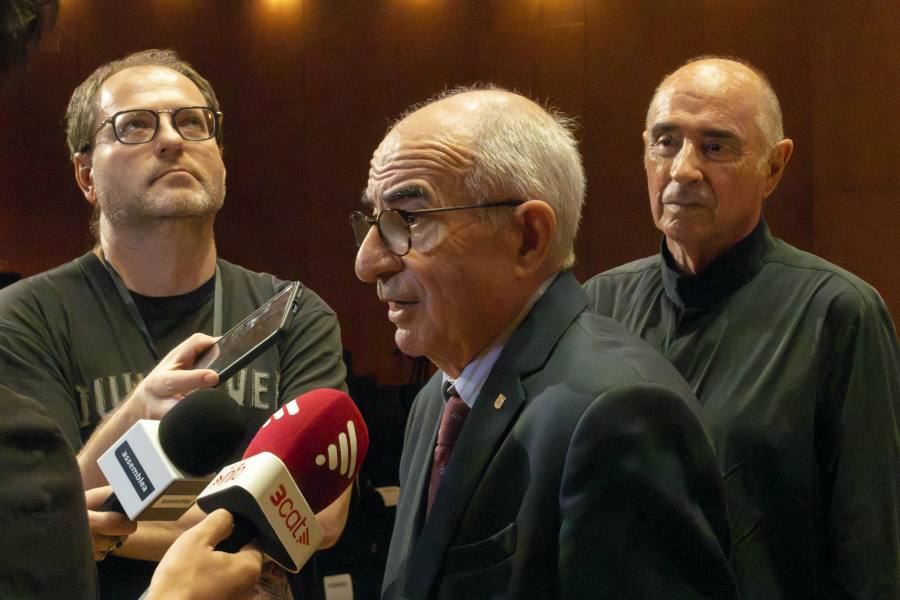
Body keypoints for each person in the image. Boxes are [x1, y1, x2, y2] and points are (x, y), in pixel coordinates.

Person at [352, 87, 738, 599]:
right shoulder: (437, 400)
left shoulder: (619, 414)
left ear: (528, 237)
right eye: (373, 222)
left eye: (409, 220)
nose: (368, 263)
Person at [0, 48, 349, 599]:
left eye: (192, 122)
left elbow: (319, 518)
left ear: (221, 159)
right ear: (86, 175)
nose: (171, 139)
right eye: (135, 125)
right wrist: (136, 411)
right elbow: (35, 518)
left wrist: (111, 525)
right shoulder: (23, 317)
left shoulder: (294, 311)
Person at [584, 56, 900, 599]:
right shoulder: (599, 303)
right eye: (665, 142)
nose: (682, 170)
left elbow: (869, 547)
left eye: (715, 146)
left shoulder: (839, 312)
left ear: (773, 167)